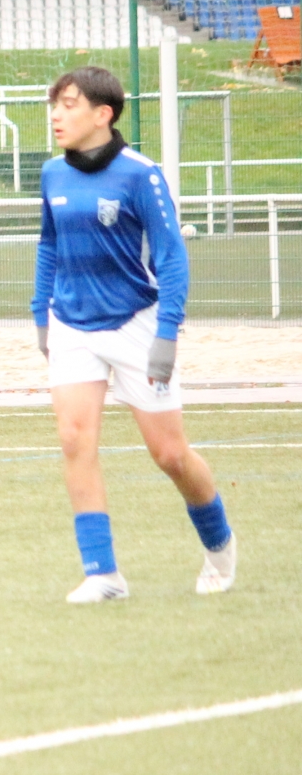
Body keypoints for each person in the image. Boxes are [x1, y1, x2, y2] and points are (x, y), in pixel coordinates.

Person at [34, 66, 234, 603]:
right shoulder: (52, 173)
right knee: (75, 440)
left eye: (69, 105)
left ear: (103, 114)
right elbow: (49, 245)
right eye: (55, 105)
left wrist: (167, 333)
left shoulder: (141, 175)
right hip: (71, 323)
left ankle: (219, 546)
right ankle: (103, 574)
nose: (56, 115)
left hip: (137, 326)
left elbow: (171, 257)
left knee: (169, 455)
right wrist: (40, 313)